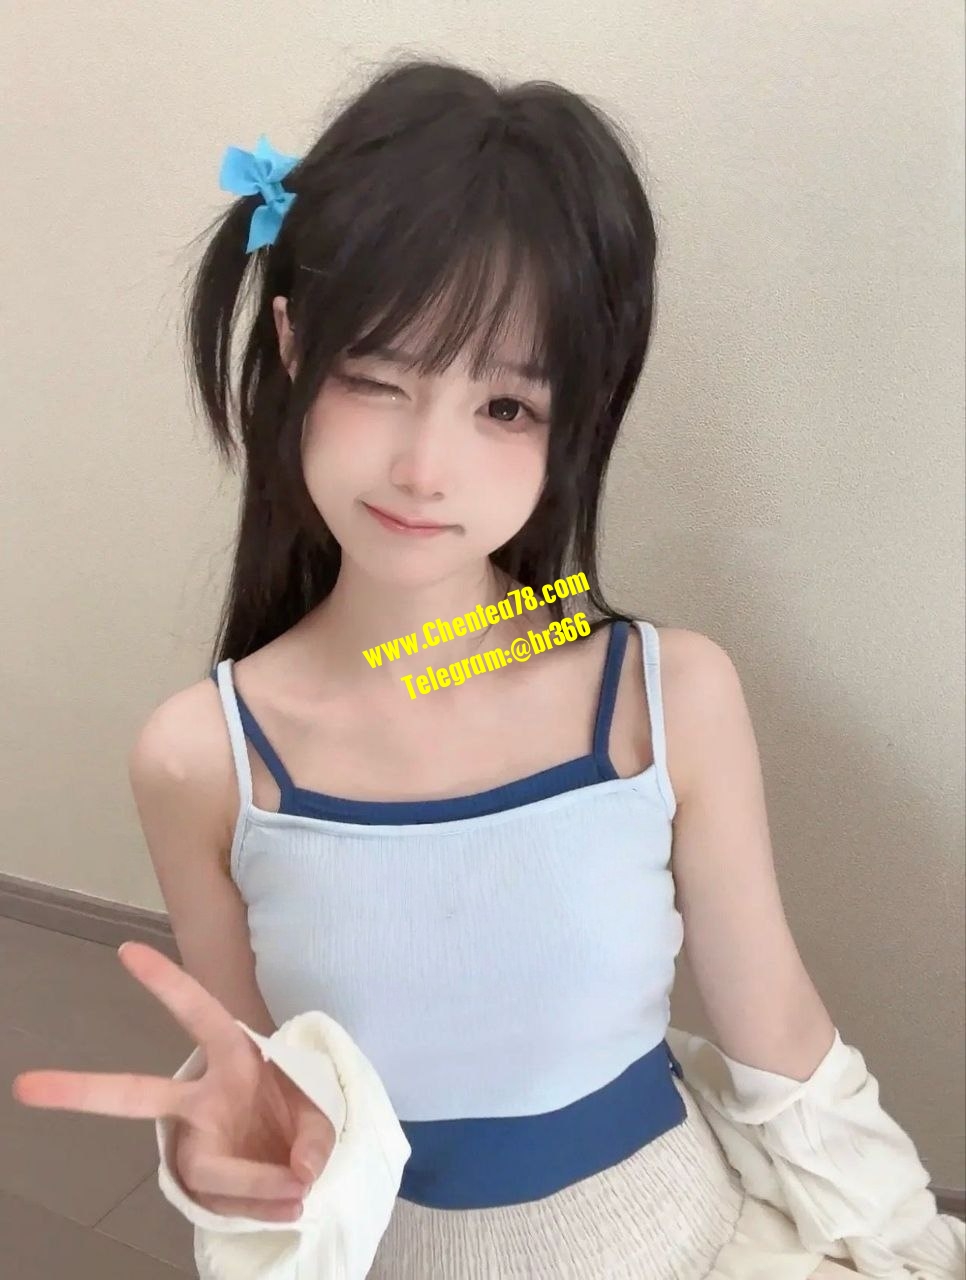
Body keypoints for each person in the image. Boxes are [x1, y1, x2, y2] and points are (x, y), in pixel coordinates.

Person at [11, 56, 964, 1280]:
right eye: (377, 377)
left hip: (699, 1243)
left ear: (577, 416)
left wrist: (903, 1243)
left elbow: (777, 1033)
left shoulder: (668, 695)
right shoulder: (201, 756)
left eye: (506, 407)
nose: (426, 467)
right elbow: (269, 1100)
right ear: (293, 343)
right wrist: (226, 1172)